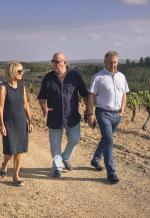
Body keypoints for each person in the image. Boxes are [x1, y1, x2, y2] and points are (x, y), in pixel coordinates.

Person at [37, 52, 89, 178]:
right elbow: (42, 96)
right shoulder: (48, 78)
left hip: (72, 116)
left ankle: (65, 158)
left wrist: (89, 109)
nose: (55, 64)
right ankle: (57, 166)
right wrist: (44, 107)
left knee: (75, 139)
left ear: (65, 62)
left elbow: (85, 94)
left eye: (58, 61)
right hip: (54, 116)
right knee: (55, 144)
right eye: (53, 61)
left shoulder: (75, 76)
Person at [86, 51, 129, 184]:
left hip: (117, 114)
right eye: (110, 62)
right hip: (102, 112)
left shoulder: (122, 76)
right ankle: (111, 173)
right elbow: (91, 96)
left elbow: (124, 94)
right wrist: (90, 114)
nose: (113, 64)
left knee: (106, 138)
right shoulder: (98, 77)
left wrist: (122, 109)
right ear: (105, 62)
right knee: (109, 141)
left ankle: (95, 159)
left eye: (115, 62)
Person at [0, 62, 33, 186]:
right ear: (12, 72)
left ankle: (16, 176)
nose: (21, 73)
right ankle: (4, 164)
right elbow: (1, 108)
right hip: (9, 124)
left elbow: (25, 104)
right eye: (19, 71)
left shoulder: (22, 86)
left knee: (19, 151)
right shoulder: (3, 87)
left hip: (21, 122)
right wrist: (1, 125)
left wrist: (30, 121)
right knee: (10, 151)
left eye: (22, 71)